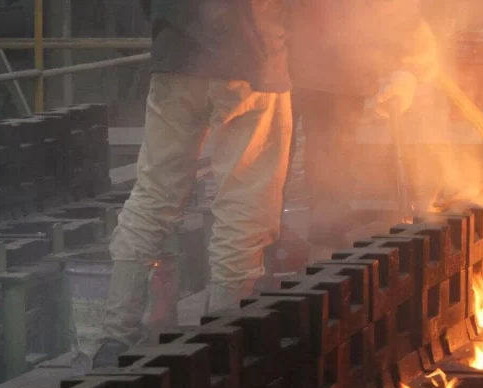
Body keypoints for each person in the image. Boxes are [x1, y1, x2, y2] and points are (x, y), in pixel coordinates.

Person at [93, 0, 293, 368]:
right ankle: (222, 337)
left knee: (154, 194)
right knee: (244, 204)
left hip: (176, 57)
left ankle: (114, 338)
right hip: (251, 60)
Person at [286, 0, 438, 256]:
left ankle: (312, 250)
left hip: (288, 57)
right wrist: (406, 60)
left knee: (311, 165)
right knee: (321, 162)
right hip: (329, 65)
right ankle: (316, 250)